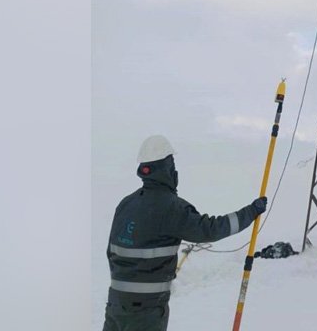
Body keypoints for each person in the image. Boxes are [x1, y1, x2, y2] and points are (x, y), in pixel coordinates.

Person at [103, 135, 267, 331]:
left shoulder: (125, 204)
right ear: (167, 169)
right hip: (146, 312)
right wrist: (251, 211)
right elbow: (210, 229)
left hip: (115, 306)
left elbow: (110, 251)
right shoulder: (171, 208)